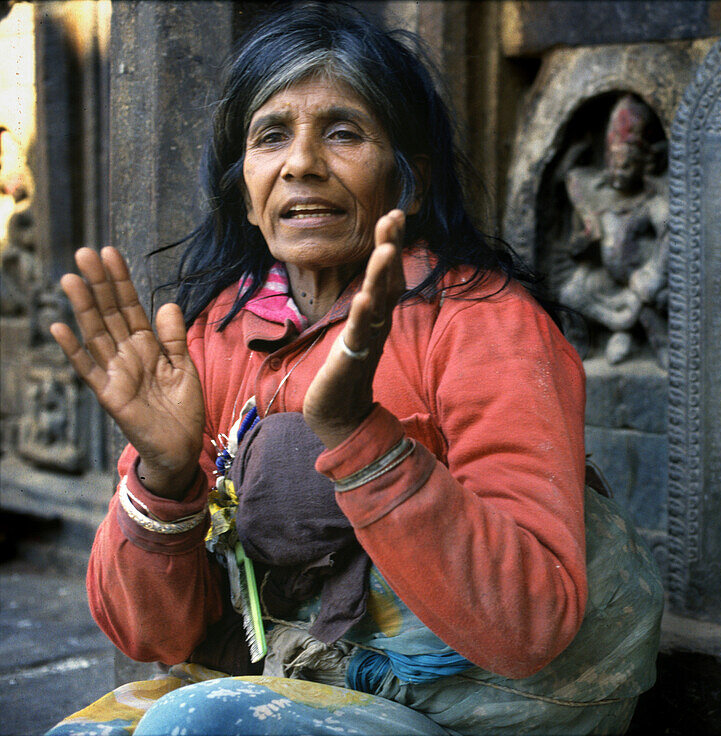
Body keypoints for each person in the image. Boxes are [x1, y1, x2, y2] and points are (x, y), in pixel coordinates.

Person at [44, 5, 662, 735]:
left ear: (409, 181)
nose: (302, 162)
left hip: (481, 710)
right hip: (292, 685)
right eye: (271, 136)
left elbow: (529, 627)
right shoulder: (215, 336)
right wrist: (163, 477)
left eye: (343, 132)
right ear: (245, 189)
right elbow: (154, 639)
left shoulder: (484, 325)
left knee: (201, 722)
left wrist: (358, 438)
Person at [559, 94, 669, 367]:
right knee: (571, 294)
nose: (619, 172)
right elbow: (576, 248)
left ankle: (640, 339)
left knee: (648, 301)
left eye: (627, 165)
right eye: (614, 164)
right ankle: (582, 347)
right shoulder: (595, 196)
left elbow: (671, 233)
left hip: (639, 281)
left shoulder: (653, 201)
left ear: (645, 165)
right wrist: (583, 240)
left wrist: (654, 272)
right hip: (608, 279)